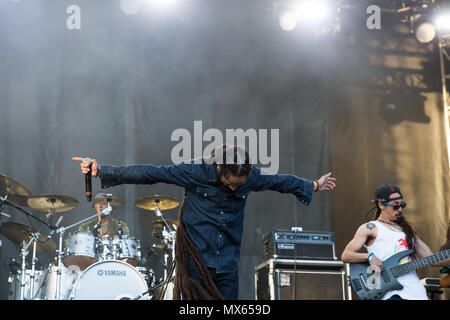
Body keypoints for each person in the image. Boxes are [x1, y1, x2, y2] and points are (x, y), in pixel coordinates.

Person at [72, 144, 336, 300]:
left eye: (239, 186)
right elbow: (151, 173)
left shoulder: (251, 176)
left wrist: (313, 185)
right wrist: (102, 170)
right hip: (196, 262)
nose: (234, 190)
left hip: (228, 263)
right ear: (220, 169)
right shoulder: (195, 172)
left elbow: (280, 181)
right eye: (231, 185)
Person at [341, 184, 450, 300]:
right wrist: (370, 256)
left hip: (416, 293)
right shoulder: (370, 228)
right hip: (391, 293)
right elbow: (346, 255)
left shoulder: (408, 231)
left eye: (402, 205)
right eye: (395, 206)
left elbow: (431, 259)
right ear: (381, 205)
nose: (400, 209)